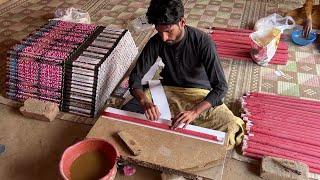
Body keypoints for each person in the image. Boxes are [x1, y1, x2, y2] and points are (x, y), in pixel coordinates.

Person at [122, 0, 244, 149]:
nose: (164, 38)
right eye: (159, 32)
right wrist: (145, 102)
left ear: (182, 22)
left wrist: (194, 112)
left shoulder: (203, 42)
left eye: (168, 31)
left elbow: (221, 87)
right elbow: (135, 77)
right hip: (168, 91)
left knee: (231, 126)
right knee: (128, 112)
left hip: (198, 94)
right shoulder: (156, 42)